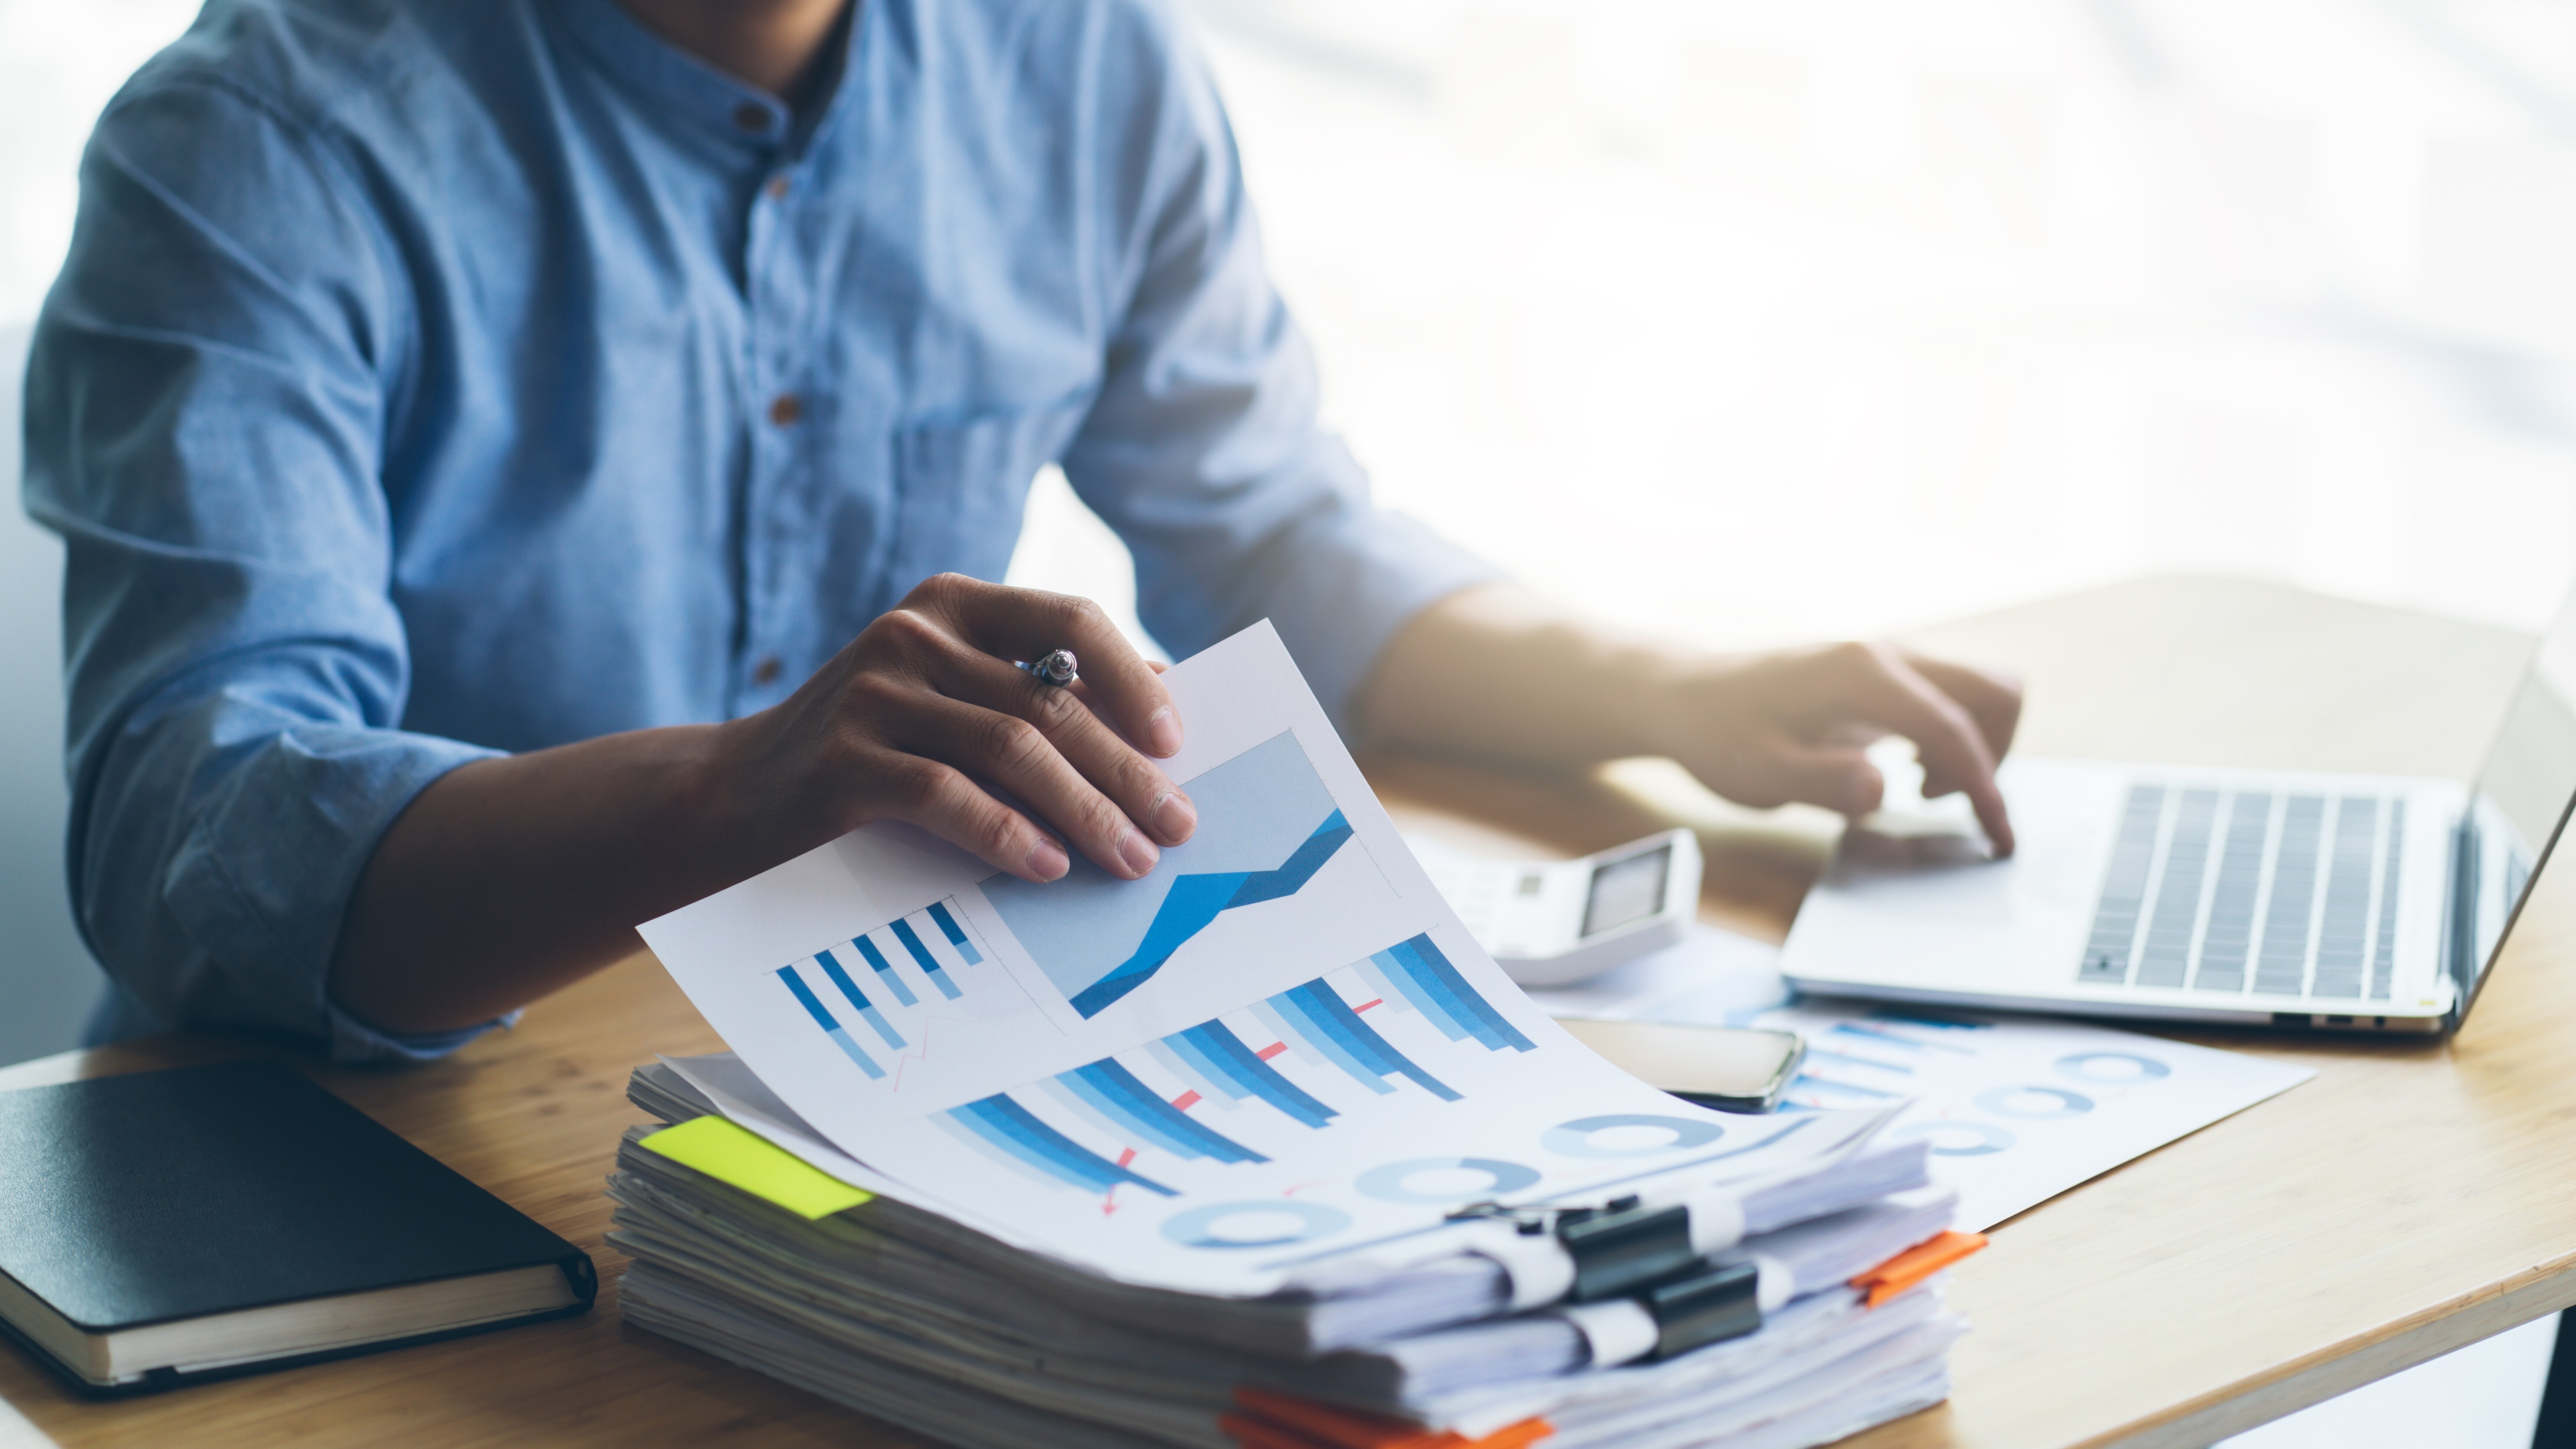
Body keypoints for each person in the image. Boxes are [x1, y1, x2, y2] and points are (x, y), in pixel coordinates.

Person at [23, 0, 2021, 1064]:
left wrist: (1682, 684)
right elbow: (197, 838)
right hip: (354, 1162)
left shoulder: (1083, 53)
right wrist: (736, 796)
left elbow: (1269, 534)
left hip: (877, 1092)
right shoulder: (256, 142)